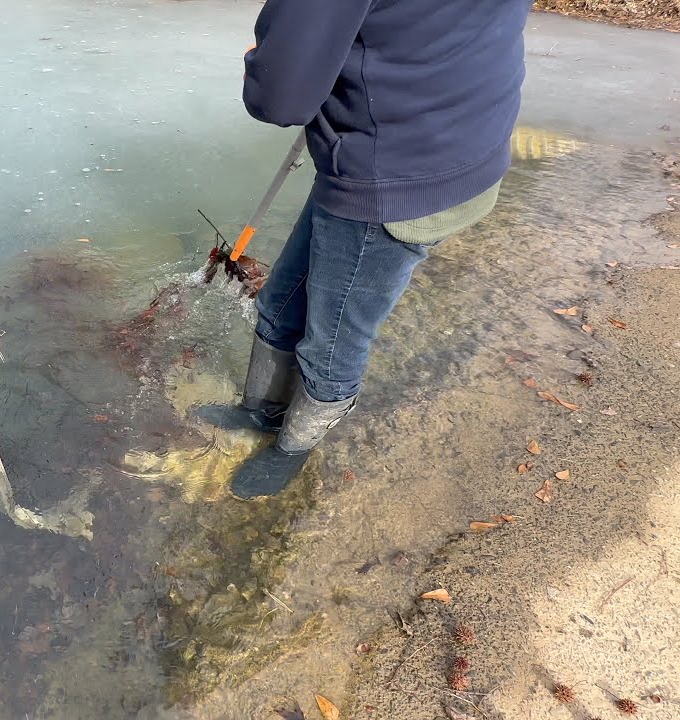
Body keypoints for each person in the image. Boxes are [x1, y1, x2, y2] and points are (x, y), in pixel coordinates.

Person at [200, 0, 535, 499]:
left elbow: (282, 95)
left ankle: (291, 449)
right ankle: (260, 412)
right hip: (454, 137)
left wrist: (265, 60)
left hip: (393, 175)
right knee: (279, 302)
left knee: (332, 346)